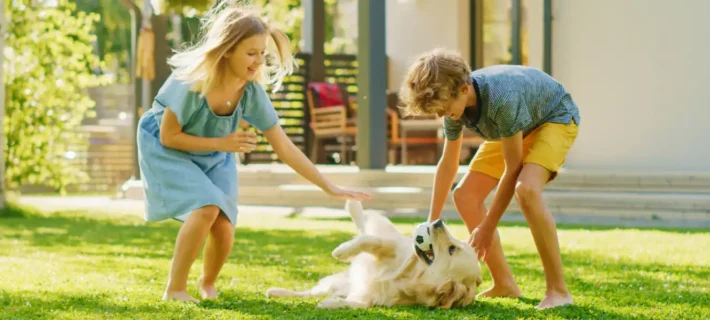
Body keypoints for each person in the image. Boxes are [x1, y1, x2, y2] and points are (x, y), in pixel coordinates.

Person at [136, 2, 371, 303]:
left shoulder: (250, 93)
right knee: (206, 207)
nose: (258, 61)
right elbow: (169, 137)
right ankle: (175, 289)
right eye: (251, 53)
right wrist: (223, 144)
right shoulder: (193, 82)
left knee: (224, 224)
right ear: (227, 50)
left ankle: (207, 283)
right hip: (166, 148)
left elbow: (284, 146)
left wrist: (329, 186)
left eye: (262, 54)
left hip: (214, 151)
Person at [398, 48, 580, 309]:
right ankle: (505, 283)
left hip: (554, 118)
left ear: (462, 89)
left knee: (526, 189)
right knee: (465, 195)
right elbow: (448, 163)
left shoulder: (501, 98)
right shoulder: (453, 107)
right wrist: (431, 223)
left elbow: (513, 168)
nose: (442, 116)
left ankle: (558, 291)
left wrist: (487, 227)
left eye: (444, 109)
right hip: (514, 128)